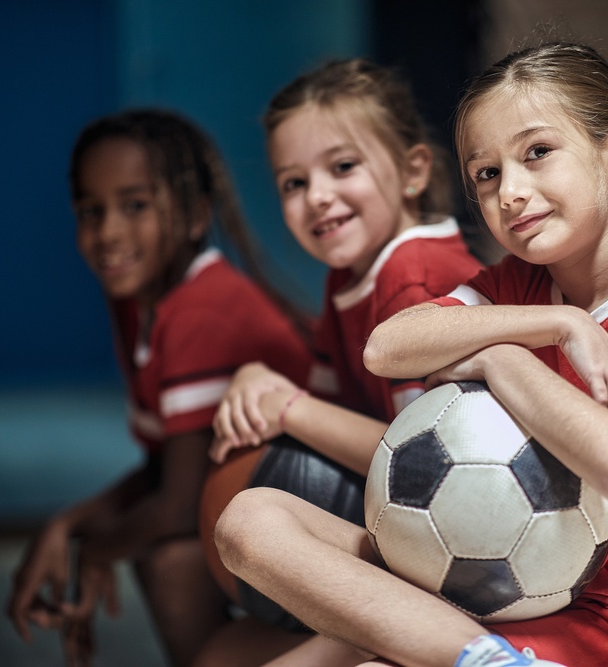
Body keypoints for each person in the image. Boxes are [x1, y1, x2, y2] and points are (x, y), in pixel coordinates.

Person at [214, 40, 608, 667]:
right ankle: (483, 659)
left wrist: (504, 358)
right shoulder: (516, 289)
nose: (512, 192)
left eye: (538, 153)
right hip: (493, 604)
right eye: (487, 173)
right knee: (250, 520)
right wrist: (556, 324)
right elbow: (386, 347)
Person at [195, 58, 484, 665]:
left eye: (342, 167)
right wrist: (260, 382)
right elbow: (334, 410)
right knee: (217, 652)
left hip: (468, 535)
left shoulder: (412, 281)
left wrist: (291, 409)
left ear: (412, 171)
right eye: (293, 183)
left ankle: (469, 648)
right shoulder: (348, 277)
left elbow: (424, 463)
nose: (317, 197)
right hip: (420, 525)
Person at [6, 108, 314, 667]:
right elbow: (164, 467)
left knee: (170, 557)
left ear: (196, 214)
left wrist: (97, 552)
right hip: (263, 513)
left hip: (328, 521)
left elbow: (175, 504)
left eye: (135, 205)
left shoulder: (201, 310)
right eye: (89, 211)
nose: (108, 232)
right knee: (158, 546)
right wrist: (68, 525)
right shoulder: (143, 307)